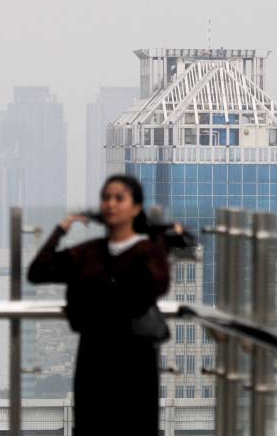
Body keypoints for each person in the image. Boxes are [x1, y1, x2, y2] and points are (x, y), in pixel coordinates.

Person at [28, 175, 177, 436]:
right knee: (90, 424)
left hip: (133, 357)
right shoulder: (89, 252)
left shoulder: (147, 251)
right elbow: (38, 271)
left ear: (136, 207)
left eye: (120, 198)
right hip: (95, 354)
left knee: (135, 425)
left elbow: (155, 287)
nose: (111, 204)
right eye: (106, 197)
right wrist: (63, 227)